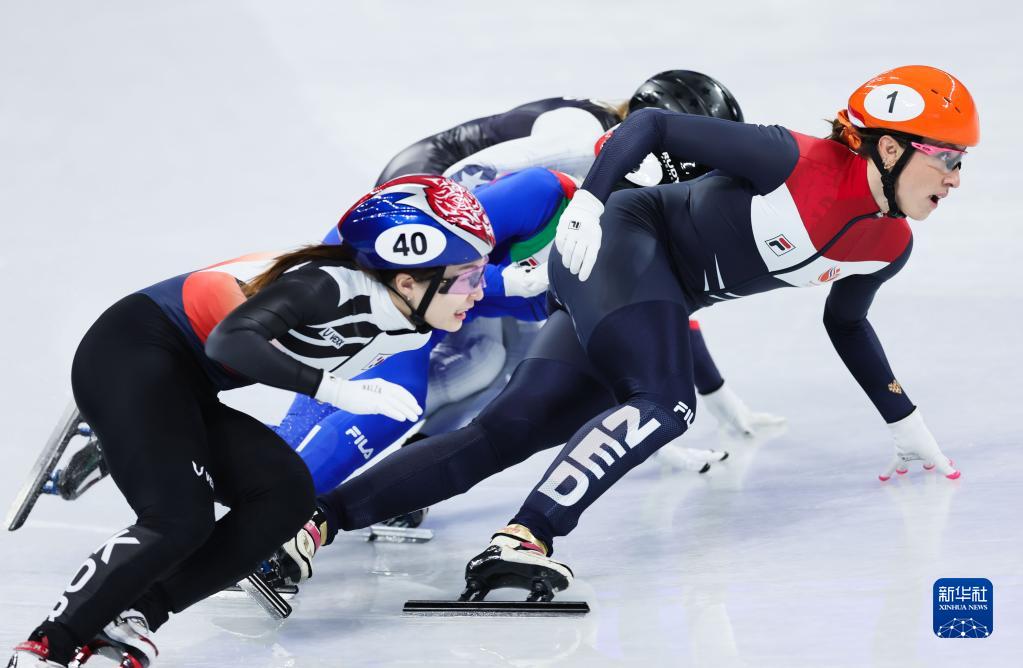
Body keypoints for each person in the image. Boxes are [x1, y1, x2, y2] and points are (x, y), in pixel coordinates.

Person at [280, 65, 974, 599]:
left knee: (508, 431)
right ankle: (523, 539)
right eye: (947, 157)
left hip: (648, 292)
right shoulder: (795, 159)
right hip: (620, 242)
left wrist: (904, 422)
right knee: (665, 403)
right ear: (889, 146)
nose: (956, 178)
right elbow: (653, 129)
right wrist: (586, 205)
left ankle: (310, 524)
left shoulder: (887, 245)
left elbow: (846, 323)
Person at [7, 174, 495, 667]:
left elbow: (497, 291)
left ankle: (136, 612)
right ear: (408, 280)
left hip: (185, 387)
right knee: (179, 520)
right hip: (129, 354)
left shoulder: (407, 323)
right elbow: (230, 341)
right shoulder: (325, 286)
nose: (477, 292)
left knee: (287, 497)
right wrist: (337, 390)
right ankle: (50, 643)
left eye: (482, 273)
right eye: (469, 277)